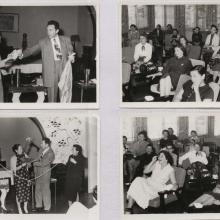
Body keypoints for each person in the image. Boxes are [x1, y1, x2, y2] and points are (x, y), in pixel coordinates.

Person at [15, 20, 75, 102]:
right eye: (47, 30)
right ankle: (52, 114)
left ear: (57, 30)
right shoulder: (42, 42)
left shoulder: (66, 39)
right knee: (52, 97)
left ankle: (62, 113)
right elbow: (31, 50)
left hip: (63, 69)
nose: (48, 32)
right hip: (50, 71)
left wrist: (71, 56)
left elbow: (70, 50)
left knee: (64, 95)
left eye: (50, 30)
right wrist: (22, 54)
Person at [33, 137, 55, 212]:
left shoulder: (51, 153)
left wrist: (34, 163)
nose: (41, 144)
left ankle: (47, 207)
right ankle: (38, 205)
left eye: (42, 143)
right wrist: (30, 160)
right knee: (37, 189)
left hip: (45, 174)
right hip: (38, 173)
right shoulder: (40, 150)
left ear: (47, 144)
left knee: (45, 190)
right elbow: (36, 158)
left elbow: (43, 163)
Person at [10, 144, 31, 214]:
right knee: (19, 193)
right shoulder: (13, 158)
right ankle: (19, 208)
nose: (21, 150)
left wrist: (28, 161)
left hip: (26, 177)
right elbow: (14, 169)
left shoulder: (24, 156)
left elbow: (30, 165)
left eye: (22, 148)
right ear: (16, 150)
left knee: (26, 192)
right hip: (18, 178)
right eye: (20, 149)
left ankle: (25, 207)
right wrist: (22, 165)